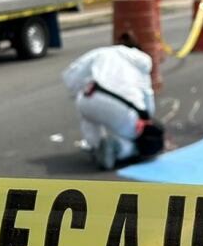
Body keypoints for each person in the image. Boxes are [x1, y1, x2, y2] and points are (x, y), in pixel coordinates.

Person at [62, 33, 161, 170]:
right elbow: (146, 93)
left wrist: (82, 87)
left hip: (88, 99)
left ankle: (94, 145)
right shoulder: (142, 58)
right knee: (145, 142)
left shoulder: (100, 53)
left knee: (90, 116)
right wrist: (145, 121)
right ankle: (120, 149)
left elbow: (69, 78)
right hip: (122, 107)